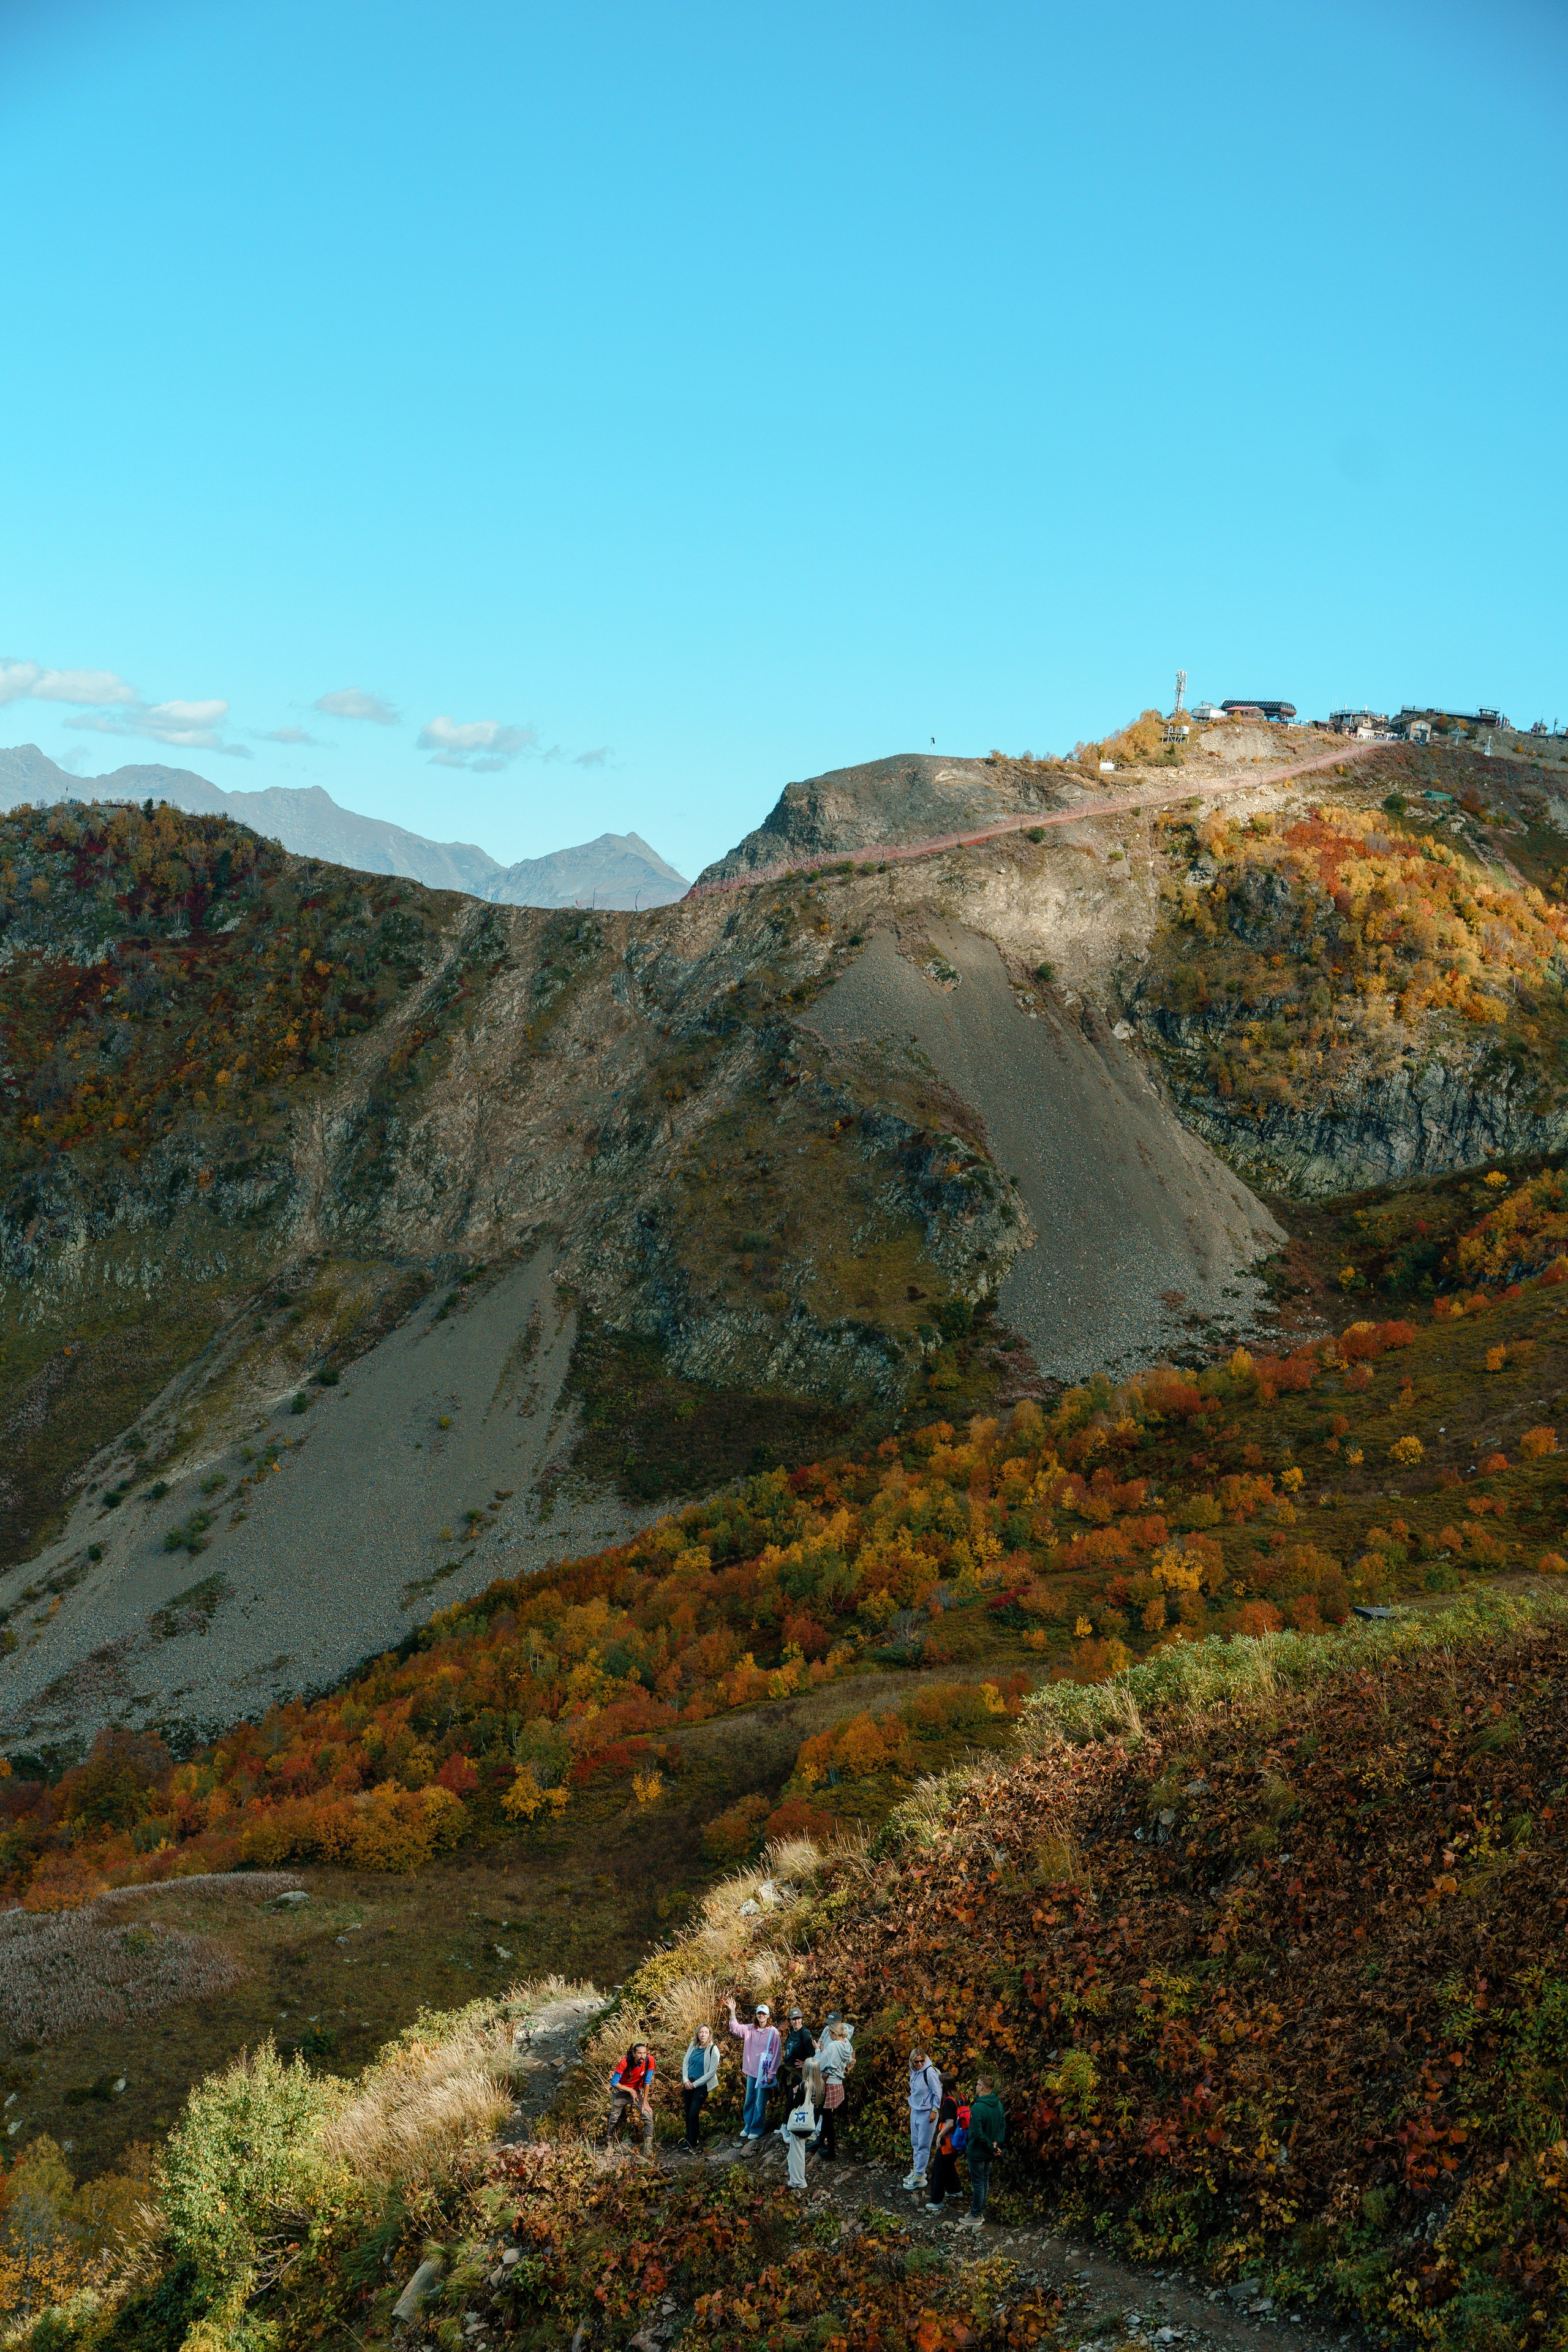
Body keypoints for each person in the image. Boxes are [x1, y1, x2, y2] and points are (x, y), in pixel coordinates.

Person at [726, 1996, 781, 2141]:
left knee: (760, 2101)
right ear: (756, 2015)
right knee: (750, 2099)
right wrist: (732, 2012)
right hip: (751, 2071)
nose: (761, 2016)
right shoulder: (750, 2029)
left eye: (764, 2014)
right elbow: (735, 2029)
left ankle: (757, 2128)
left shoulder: (773, 2032)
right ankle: (748, 2125)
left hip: (764, 2073)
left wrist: (772, 2073)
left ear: (768, 2016)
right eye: (759, 2013)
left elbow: (777, 2054)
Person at [960, 2074, 1006, 2227]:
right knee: (985, 2180)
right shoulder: (998, 2104)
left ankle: (975, 2215)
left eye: (977, 2084)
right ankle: (979, 2211)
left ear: (981, 2087)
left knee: (979, 2183)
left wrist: (990, 2145)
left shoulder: (978, 2108)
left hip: (978, 2152)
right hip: (990, 2152)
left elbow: (978, 2134)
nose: (975, 2086)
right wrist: (995, 2144)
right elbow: (1002, 2126)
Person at [811, 2011, 854, 2160]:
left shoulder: (833, 2047)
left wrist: (818, 2050)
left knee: (827, 2119)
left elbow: (819, 2063)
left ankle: (831, 2149)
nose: (828, 2034)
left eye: (830, 2032)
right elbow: (848, 2063)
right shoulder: (847, 2045)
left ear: (835, 2032)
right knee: (828, 2116)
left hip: (828, 2084)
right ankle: (822, 2142)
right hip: (838, 2084)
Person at [779, 2059, 821, 2192]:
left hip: (799, 2124)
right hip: (811, 2123)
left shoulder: (804, 2085)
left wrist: (795, 2093)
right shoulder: (821, 2086)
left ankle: (798, 2180)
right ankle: (796, 2179)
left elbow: (795, 2104)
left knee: (797, 2152)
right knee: (800, 2150)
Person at [904, 2047, 942, 2192]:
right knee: (915, 2142)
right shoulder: (913, 2071)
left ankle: (920, 2176)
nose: (919, 2064)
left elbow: (938, 2093)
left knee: (923, 2145)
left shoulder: (929, 2072)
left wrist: (934, 2110)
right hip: (916, 2110)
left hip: (927, 2113)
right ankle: (916, 2170)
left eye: (922, 2061)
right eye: (916, 2062)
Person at [608, 2040, 656, 2154]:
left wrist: (644, 2103)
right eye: (639, 2053)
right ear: (634, 2054)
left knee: (648, 2115)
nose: (642, 2056)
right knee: (614, 2118)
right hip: (621, 2090)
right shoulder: (624, 2062)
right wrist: (630, 2090)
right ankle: (610, 2145)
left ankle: (648, 2146)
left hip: (637, 2092)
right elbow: (614, 2082)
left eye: (644, 2053)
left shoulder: (649, 2061)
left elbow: (647, 2082)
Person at [682, 2022, 719, 2150]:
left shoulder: (713, 2049)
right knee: (687, 2114)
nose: (703, 2035)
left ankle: (693, 2143)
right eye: (701, 2032)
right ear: (697, 2034)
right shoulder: (693, 2045)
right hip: (688, 2083)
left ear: (710, 2035)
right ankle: (689, 2139)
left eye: (706, 2033)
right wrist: (686, 2080)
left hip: (701, 2086)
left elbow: (712, 2072)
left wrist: (695, 2084)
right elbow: (686, 2062)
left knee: (693, 2113)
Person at [925, 2089, 962, 2211]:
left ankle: (936, 2201)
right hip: (957, 2139)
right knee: (948, 2164)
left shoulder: (947, 2101)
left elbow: (950, 2123)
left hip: (947, 2141)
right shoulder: (958, 2096)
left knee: (938, 2168)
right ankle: (955, 2189)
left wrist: (940, 2135)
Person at [781, 2007, 816, 2114]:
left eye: (798, 2018)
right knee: (789, 2098)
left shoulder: (805, 2033)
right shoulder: (792, 2030)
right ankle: (790, 2125)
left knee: (794, 2098)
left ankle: (787, 2125)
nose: (796, 2021)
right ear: (790, 2021)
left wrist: (805, 2063)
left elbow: (814, 2053)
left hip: (798, 2073)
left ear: (802, 2019)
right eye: (793, 2019)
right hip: (788, 2070)